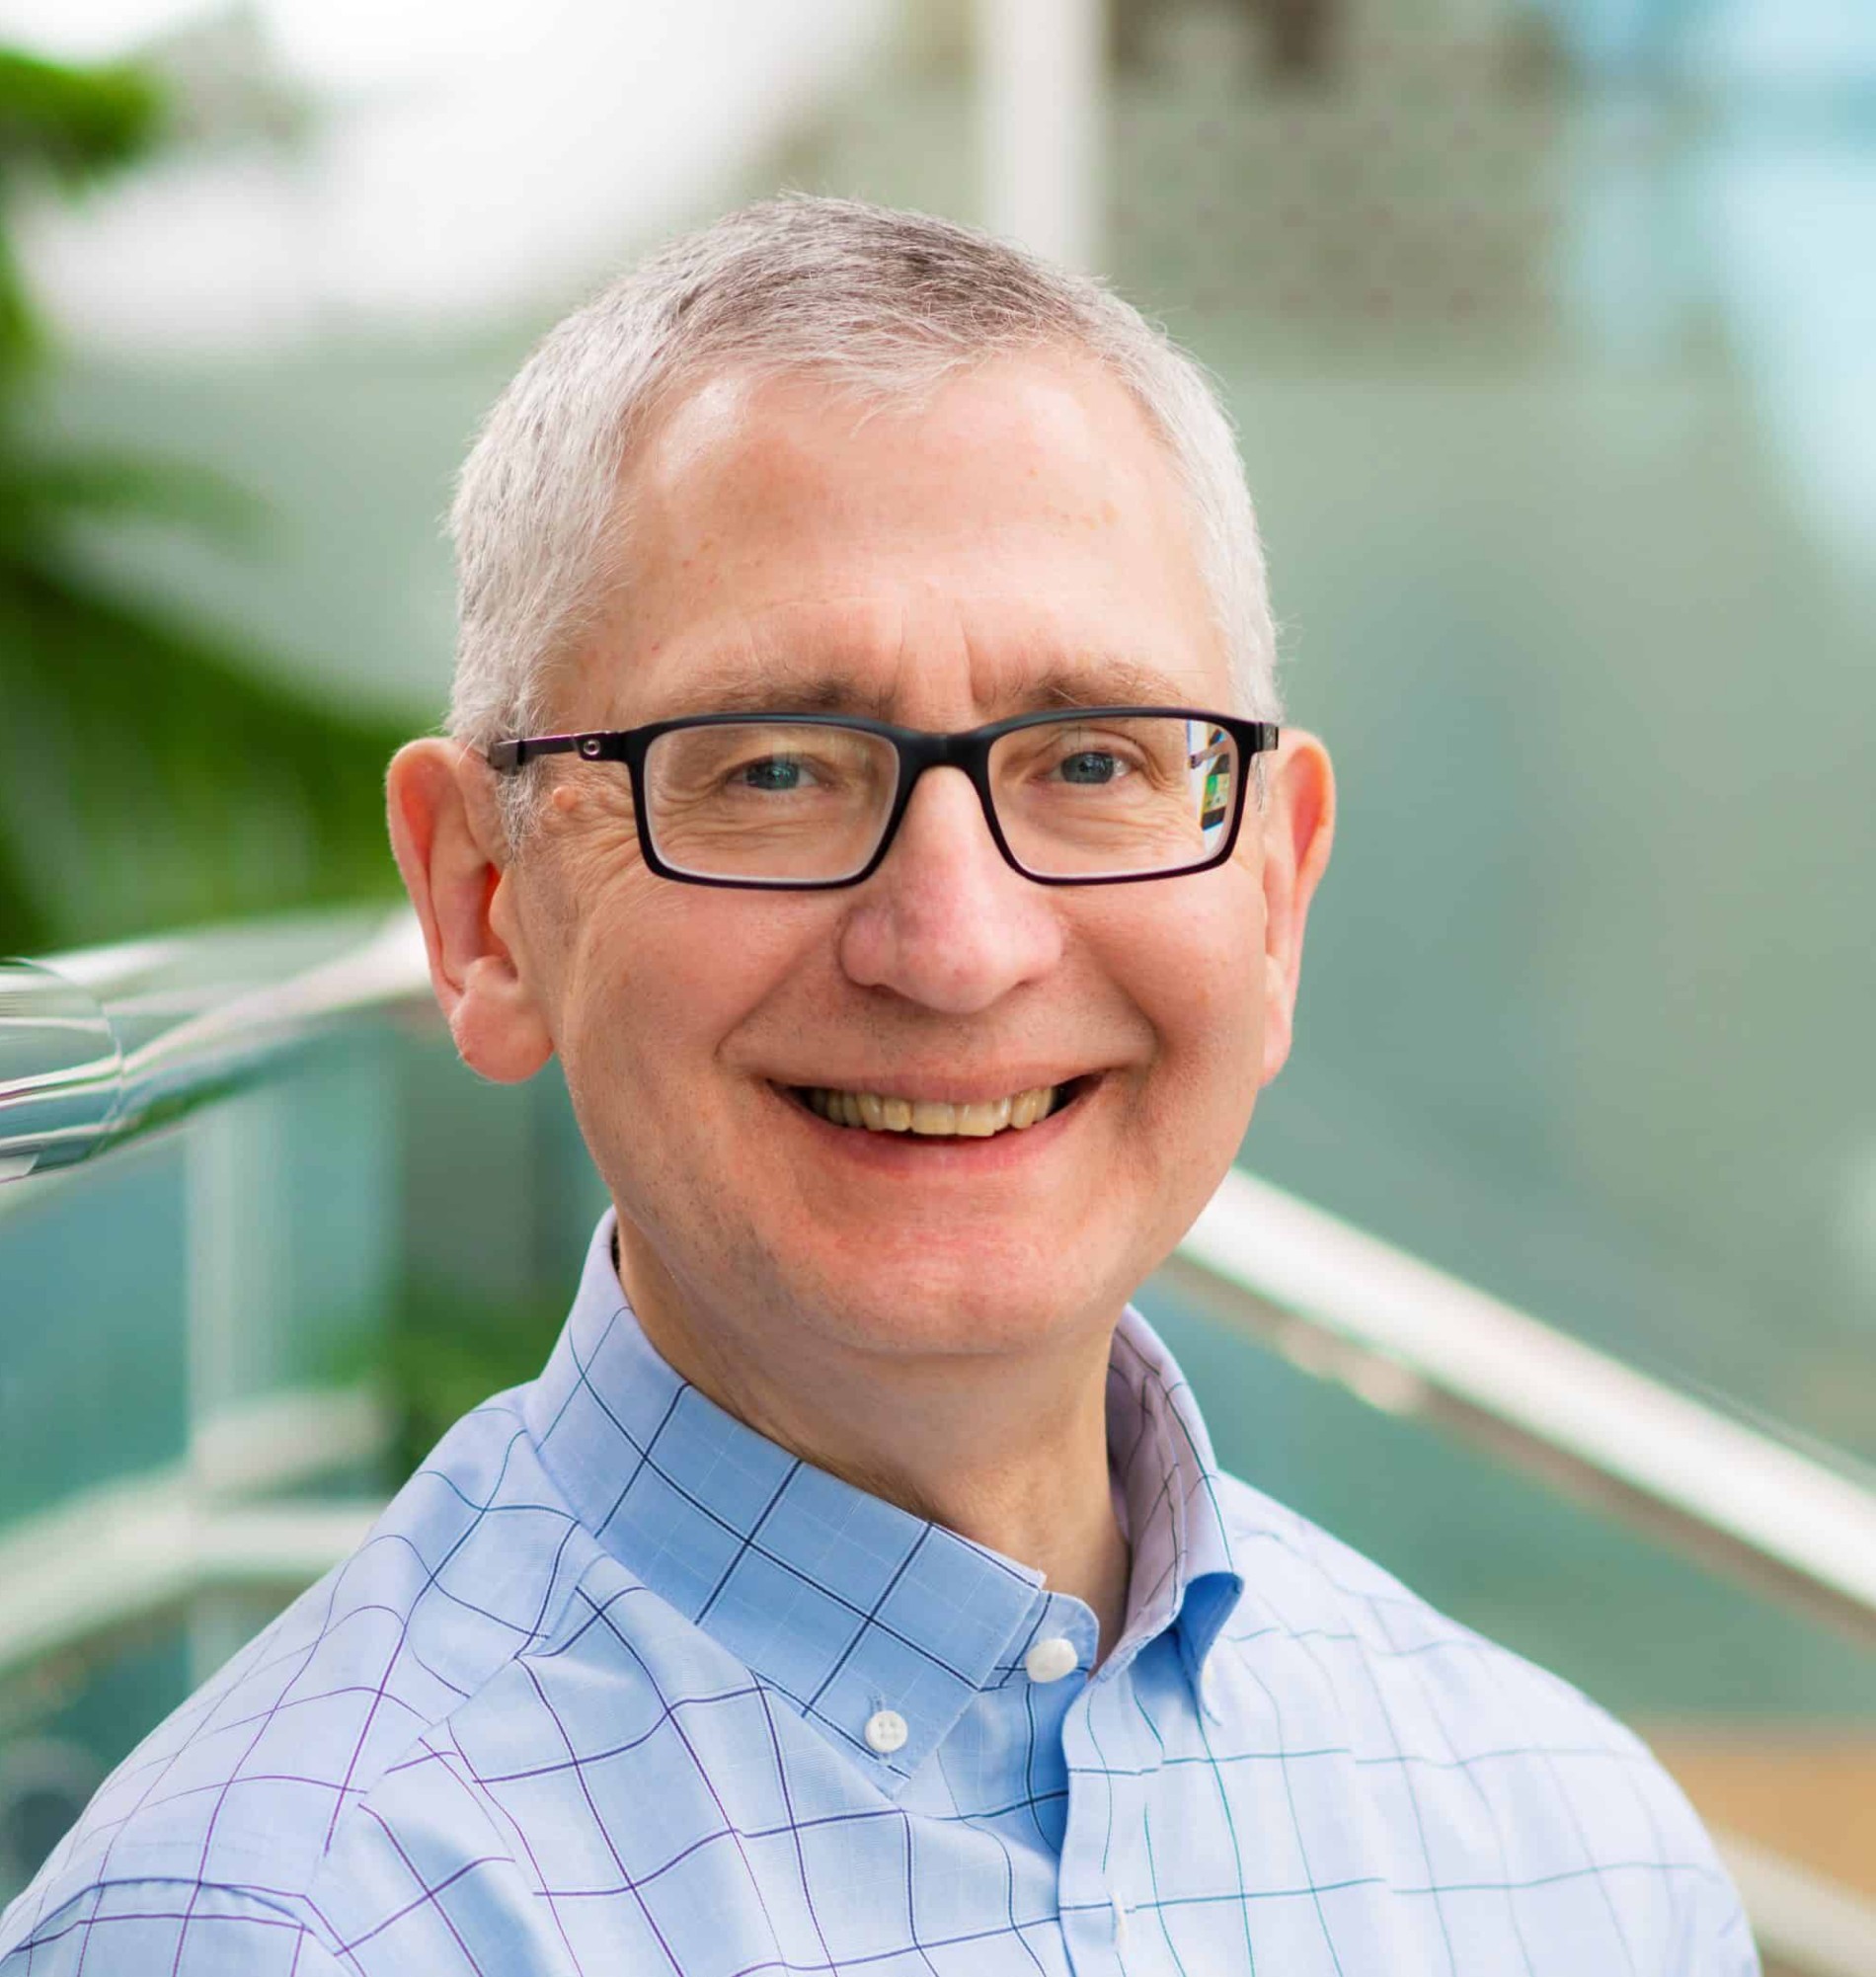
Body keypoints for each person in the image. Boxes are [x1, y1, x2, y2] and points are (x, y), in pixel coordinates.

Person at [0, 196, 1757, 1975]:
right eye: (770, 770)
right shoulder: (279, 1926)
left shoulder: (1575, 1861)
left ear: (1278, 890)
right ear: (484, 904)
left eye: (1092, 758)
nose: (957, 941)